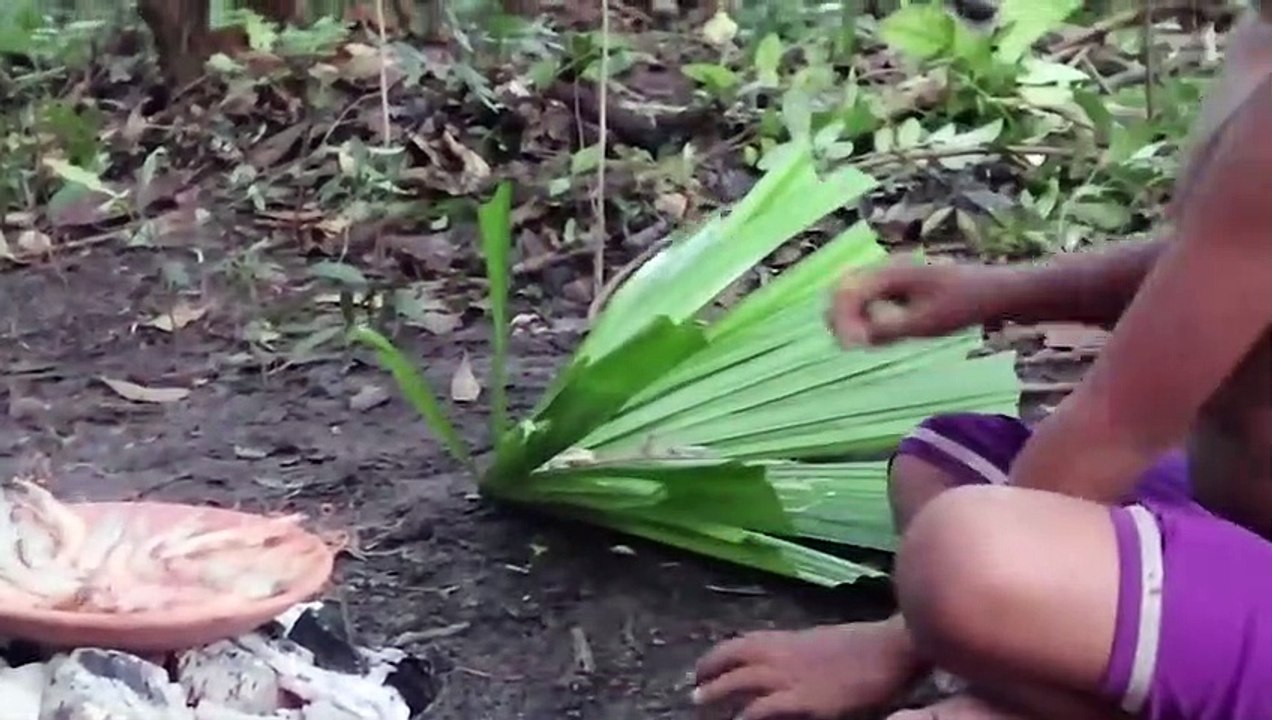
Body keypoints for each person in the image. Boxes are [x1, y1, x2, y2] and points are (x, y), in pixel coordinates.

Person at [691, 7, 1272, 720]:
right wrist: (999, 292)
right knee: (942, 462)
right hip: (1243, 526)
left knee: (963, 556)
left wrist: (896, 643)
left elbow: (1117, 427)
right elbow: (1223, 263)